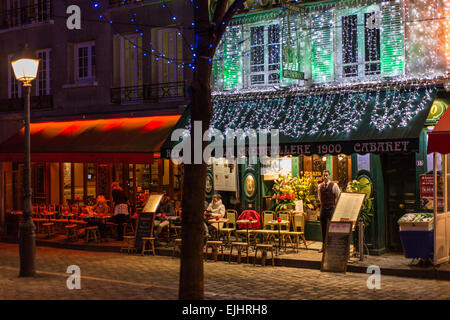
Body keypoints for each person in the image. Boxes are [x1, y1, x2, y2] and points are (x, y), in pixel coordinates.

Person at [317, 170, 340, 252]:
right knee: (323, 228)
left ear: (329, 176)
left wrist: (335, 206)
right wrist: (322, 204)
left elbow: (338, 196)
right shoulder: (320, 186)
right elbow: (319, 197)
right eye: (324, 175)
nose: (325, 177)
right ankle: (324, 246)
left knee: (332, 227)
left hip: (331, 208)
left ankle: (332, 246)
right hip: (323, 208)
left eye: (326, 175)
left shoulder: (334, 185)